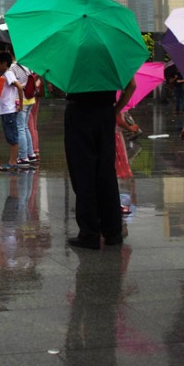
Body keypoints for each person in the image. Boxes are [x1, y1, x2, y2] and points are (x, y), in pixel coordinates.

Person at [65, 76, 136, 250]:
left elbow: (60, 84)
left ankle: (89, 233)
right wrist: (116, 109)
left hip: (78, 112)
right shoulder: (113, 52)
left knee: (83, 173)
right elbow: (132, 85)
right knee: (106, 172)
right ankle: (113, 233)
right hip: (105, 112)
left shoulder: (74, 52)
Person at [0, 51, 25, 172]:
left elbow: (20, 87)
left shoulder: (8, 74)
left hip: (9, 110)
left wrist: (21, 104)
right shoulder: (6, 74)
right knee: (11, 136)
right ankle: (13, 161)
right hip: (6, 110)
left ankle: (12, 162)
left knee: (12, 137)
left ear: (4, 63)